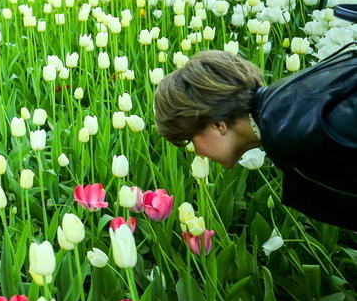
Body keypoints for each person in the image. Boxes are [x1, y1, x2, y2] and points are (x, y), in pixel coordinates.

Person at [153, 46, 357, 231]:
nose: (197, 152)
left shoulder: (291, 130)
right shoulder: (285, 104)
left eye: (190, 139)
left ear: (218, 124)